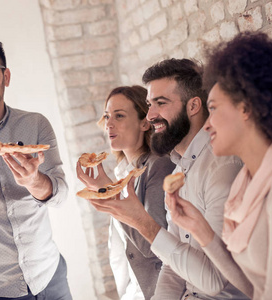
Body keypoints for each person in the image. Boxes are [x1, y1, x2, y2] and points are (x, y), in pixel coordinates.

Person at [166, 32, 272, 300]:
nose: (207, 124)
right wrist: (201, 230)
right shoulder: (247, 183)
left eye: (214, 109)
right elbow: (255, 291)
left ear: (246, 108)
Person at [87, 59, 250, 299]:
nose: (151, 115)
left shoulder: (222, 169)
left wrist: (143, 223)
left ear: (193, 106)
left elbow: (214, 281)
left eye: (161, 103)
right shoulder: (177, 173)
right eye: (149, 104)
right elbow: (173, 267)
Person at [0, 36, 71, 300]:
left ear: (5, 76)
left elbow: (61, 194)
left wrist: (35, 182)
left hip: (49, 275)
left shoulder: (36, 125)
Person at [76, 85, 175, 299]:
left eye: (119, 116)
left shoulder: (159, 167)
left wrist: (109, 195)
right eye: (107, 116)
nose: (109, 124)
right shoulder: (122, 171)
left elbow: (153, 248)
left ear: (144, 122)